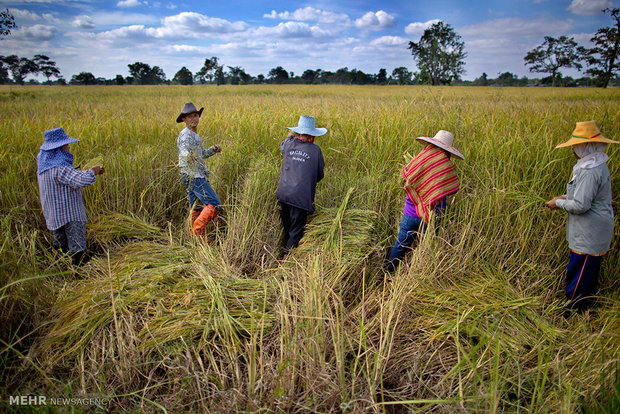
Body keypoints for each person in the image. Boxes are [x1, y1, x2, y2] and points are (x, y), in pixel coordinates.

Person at [544, 120, 617, 312]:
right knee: (587, 272)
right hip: (593, 230)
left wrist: (557, 203)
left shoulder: (590, 170)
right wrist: (563, 197)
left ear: (586, 146)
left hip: (590, 232)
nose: (573, 150)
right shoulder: (594, 164)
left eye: (576, 145)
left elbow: (581, 205)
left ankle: (573, 310)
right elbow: (585, 196)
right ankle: (584, 307)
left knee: (580, 271)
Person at [386, 130, 464, 272]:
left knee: (401, 244)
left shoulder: (420, 159)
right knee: (425, 247)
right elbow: (453, 189)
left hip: (410, 213)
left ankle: (389, 271)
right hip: (431, 216)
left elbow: (408, 176)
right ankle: (418, 273)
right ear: (447, 150)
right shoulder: (445, 166)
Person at [37, 128, 105, 265]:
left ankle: (62, 265)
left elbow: (70, 177)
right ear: (59, 149)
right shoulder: (60, 168)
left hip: (54, 215)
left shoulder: (44, 169)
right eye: (67, 146)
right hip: (70, 214)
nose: (69, 148)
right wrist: (93, 171)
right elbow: (80, 180)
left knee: (60, 243)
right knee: (77, 245)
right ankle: (79, 269)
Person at [276, 115, 326, 257]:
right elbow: (319, 175)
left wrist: (290, 135)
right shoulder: (316, 151)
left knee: (287, 228)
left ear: (298, 133)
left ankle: (282, 254)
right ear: (312, 135)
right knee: (296, 232)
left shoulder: (289, 144)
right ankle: (286, 263)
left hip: (283, 195)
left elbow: (283, 143)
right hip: (300, 198)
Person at [176, 102, 222, 236]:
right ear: (184, 119)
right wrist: (187, 156)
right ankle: (195, 233)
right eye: (190, 117)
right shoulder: (185, 135)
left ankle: (192, 235)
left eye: (195, 115)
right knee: (214, 203)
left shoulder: (195, 135)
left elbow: (201, 154)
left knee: (197, 207)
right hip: (193, 175)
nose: (194, 119)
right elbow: (183, 150)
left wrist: (213, 150)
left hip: (193, 174)